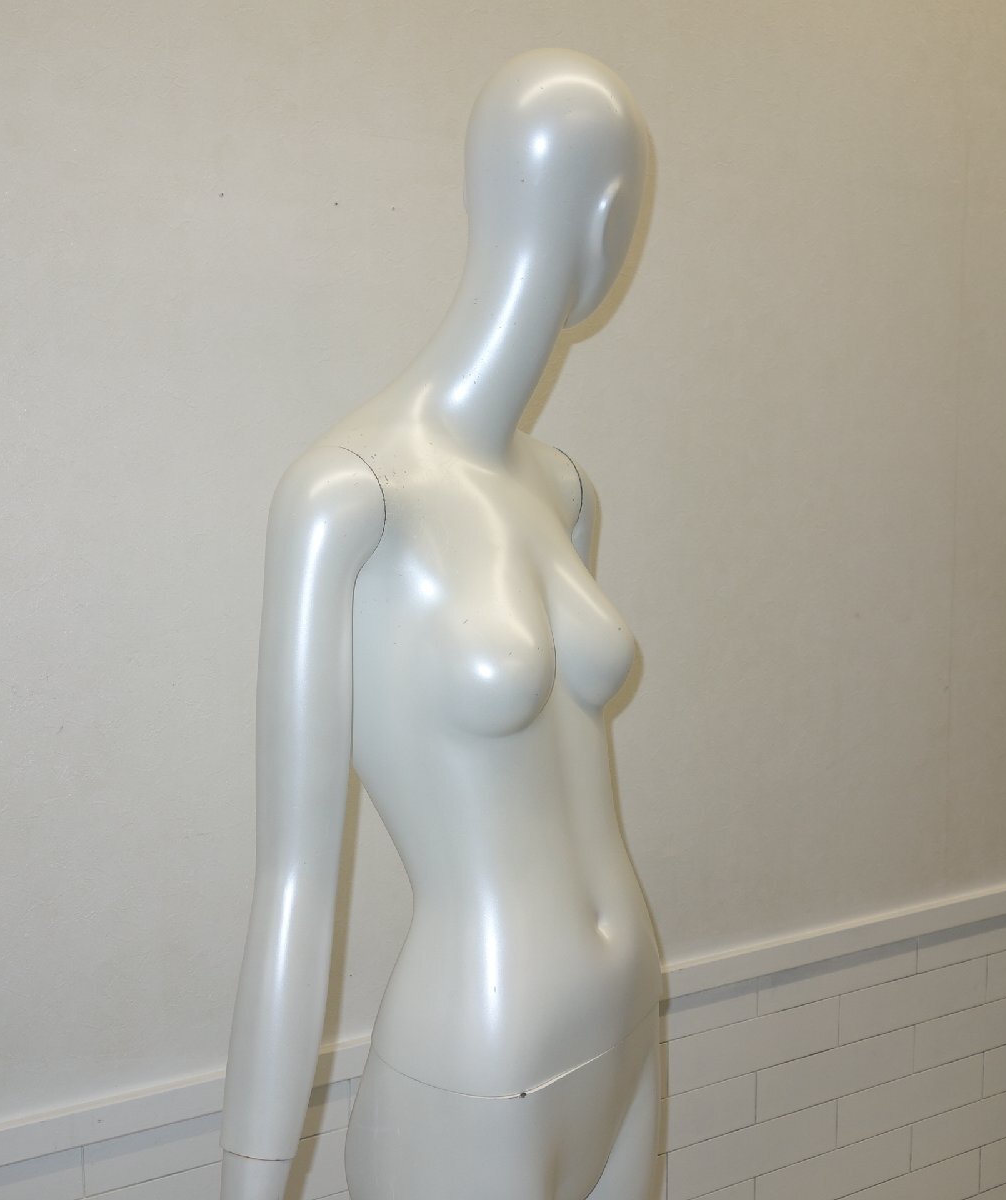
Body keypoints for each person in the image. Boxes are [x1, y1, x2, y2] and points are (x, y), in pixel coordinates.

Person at [221, 48, 661, 1200]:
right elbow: (295, 887)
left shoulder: (562, 490)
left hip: (626, 1032)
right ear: (611, 221)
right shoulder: (350, 498)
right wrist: (250, 1179)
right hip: (476, 1071)